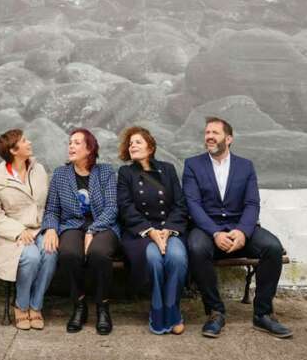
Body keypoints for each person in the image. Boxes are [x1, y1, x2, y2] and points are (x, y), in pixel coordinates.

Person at [183, 117, 292, 339]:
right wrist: (215, 232)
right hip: (207, 229)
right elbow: (192, 204)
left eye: (215, 133)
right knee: (195, 248)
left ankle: (263, 314)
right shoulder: (192, 164)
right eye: (207, 133)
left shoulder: (245, 166)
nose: (209, 137)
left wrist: (243, 231)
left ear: (229, 138)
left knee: (272, 248)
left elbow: (252, 204)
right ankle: (215, 312)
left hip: (240, 227)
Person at [41, 129, 120, 335]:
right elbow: (52, 209)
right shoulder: (60, 174)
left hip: (103, 225)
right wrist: (50, 228)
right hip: (72, 225)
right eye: (70, 143)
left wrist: (92, 230)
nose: (71, 147)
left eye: (76, 143)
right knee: (68, 253)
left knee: (99, 254)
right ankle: (79, 305)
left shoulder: (105, 172)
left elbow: (112, 208)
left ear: (89, 148)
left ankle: (103, 307)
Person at [116, 127, 188, 335]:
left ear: (151, 146)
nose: (133, 146)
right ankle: (157, 309)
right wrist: (150, 231)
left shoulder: (168, 169)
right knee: (154, 259)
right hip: (140, 232)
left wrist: (168, 230)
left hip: (169, 228)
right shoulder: (126, 173)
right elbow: (125, 207)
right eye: (130, 144)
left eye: (138, 142)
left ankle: (173, 309)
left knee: (176, 256)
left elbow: (180, 204)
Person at [0, 129, 53, 331]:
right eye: (24, 141)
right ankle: (21, 306)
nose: (29, 142)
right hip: (13, 235)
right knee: (31, 257)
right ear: (13, 150)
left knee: (50, 253)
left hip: (41, 229)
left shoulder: (38, 170)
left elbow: (50, 204)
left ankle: (36, 305)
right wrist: (19, 231)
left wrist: (50, 229)